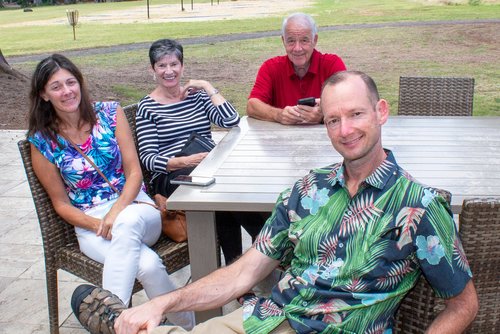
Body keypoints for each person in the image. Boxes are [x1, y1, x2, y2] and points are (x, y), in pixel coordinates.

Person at [73, 71, 479, 334]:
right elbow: (243, 274)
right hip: (263, 319)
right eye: (334, 119)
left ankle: (117, 322)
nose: (345, 129)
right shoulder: (306, 190)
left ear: (381, 112)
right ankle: (139, 322)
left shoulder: (419, 207)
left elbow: (463, 304)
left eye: (356, 114)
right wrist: (163, 301)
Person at [26, 54, 194, 330]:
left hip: (136, 207)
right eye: (56, 87)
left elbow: (135, 173)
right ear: (44, 94)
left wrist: (116, 213)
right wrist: (98, 224)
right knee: (149, 266)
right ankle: (189, 325)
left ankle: (112, 321)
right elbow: (61, 205)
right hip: (91, 225)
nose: (67, 91)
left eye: (71, 82)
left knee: (127, 223)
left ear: (80, 83)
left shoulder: (108, 113)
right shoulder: (42, 142)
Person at [136, 39, 266, 265]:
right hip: (171, 176)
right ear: (152, 70)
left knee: (221, 201)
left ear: (182, 66)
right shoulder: (147, 107)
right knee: (221, 192)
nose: (169, 71)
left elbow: (232, 121)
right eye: (162, 66)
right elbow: (148, 159)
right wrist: (183, 160)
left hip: (208, 168)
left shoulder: (196, 96)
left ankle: (237, 271)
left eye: (174, 64)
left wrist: (206, 86)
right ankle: (266, 238)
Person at [247, 12, 346, 125]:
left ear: (315, 40)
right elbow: (252, 106)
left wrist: (323, 113)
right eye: (291, 41)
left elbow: (348, 102)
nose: (297, 48)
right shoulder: (270, 68)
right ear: (283, 41)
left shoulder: (332, 64)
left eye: (304, 40)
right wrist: (279, 115)